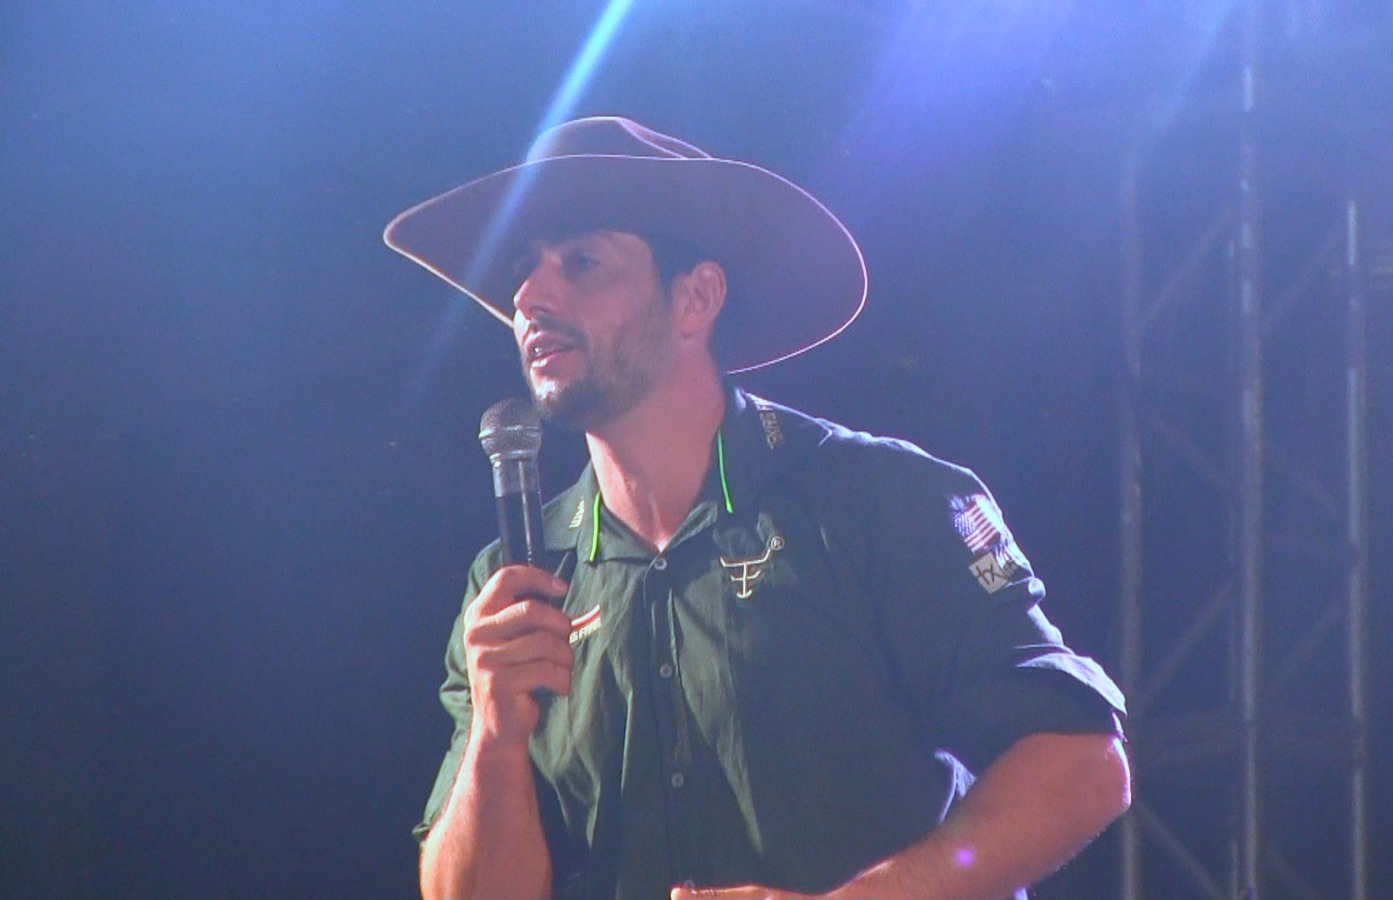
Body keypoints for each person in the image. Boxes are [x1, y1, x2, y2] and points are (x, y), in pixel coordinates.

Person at [386, 116, 1130, 900]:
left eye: (583, 261)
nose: (530, 297)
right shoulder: (511, 586)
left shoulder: (872, 500)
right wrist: (495, 736)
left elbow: (1085, 762)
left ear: (696, 298)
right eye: (523, 269)